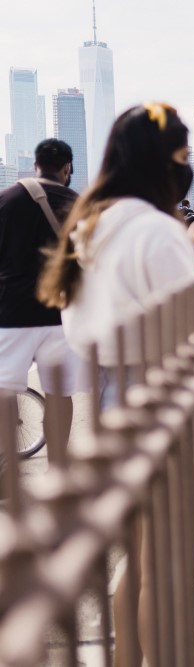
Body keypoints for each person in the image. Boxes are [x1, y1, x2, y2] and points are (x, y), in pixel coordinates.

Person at [38, 103, 194, 408]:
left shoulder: (88, 225)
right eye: (183, 157)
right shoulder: (158, 232)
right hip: (160, 388)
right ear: (159, 164)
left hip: (105, 391)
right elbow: (193, 325)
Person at [0, 138, 80, 457]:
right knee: (60, 393)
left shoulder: (6, 199)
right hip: (60, 314)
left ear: (35, 166)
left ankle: (6, 467)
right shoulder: (76, 203)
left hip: (11, 313)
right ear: (67, 168)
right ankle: (60, 468)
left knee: (5, 392)